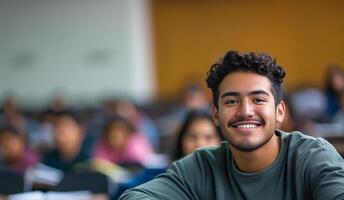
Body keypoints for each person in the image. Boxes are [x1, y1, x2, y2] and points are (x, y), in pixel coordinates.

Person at [119, 50, 344, 199]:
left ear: (279, 112)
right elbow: (132, 197)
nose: (245, 111)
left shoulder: (312, 157)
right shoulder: (202, 166)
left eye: (258, 99)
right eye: (231, 101)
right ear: (216, 114)